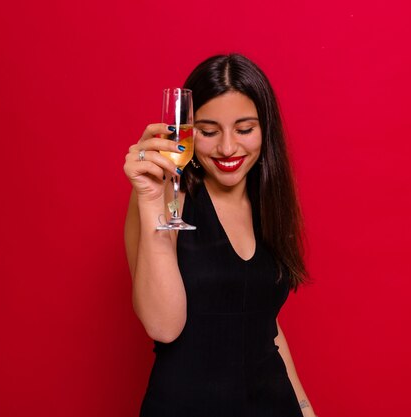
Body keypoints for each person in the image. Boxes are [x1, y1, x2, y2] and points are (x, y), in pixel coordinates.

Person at [123, 54, 317, 417]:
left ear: (266, 130)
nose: (228, 148)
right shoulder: (164, 195)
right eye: (209, 132)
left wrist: (305, 408)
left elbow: (264, 323)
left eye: (244, 130)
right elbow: (163, 327)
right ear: (187, 128)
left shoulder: (268, 199)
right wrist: (150, 200)